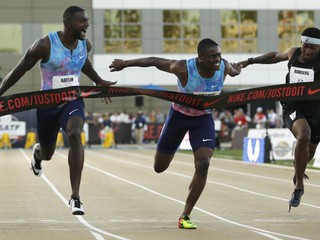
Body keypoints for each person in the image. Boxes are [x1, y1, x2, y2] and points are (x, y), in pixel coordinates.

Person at [109, 38, 241, 229]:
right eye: (213, 56)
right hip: (178, 118)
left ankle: (185, 214)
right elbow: (154, 61)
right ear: (201, 58)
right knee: (159, 167)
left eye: (219, 55)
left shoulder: (224, 67)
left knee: (203, 163)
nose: (218, 59)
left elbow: (234, 70)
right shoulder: (183, 68)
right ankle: (170, 152)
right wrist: (125, 64)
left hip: (203, 120)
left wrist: (238, 69)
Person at [0, 6, 116, 215]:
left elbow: (83, 63)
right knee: (48, 153)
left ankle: (75, 198)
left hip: (72, 101)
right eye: (83, 21)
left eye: (87, 20)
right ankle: (37, 154)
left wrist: (99, 81)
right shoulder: (45, 44)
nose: (87, 24)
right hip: (47, 105)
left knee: (75, 134)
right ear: (68, 23)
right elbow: (20, 69)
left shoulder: (84, 44)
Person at [237, 27, 320, 211]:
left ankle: (299, 168)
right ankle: (299, 186)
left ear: (319, 48)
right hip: (293, 107)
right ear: (301, 44)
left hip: (316, 112)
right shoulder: (293, 53)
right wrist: (250, 61)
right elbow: (274, 57)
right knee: (303, 135)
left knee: (310, 153)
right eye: (305, 46)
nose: (307, 51)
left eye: (312, 49)